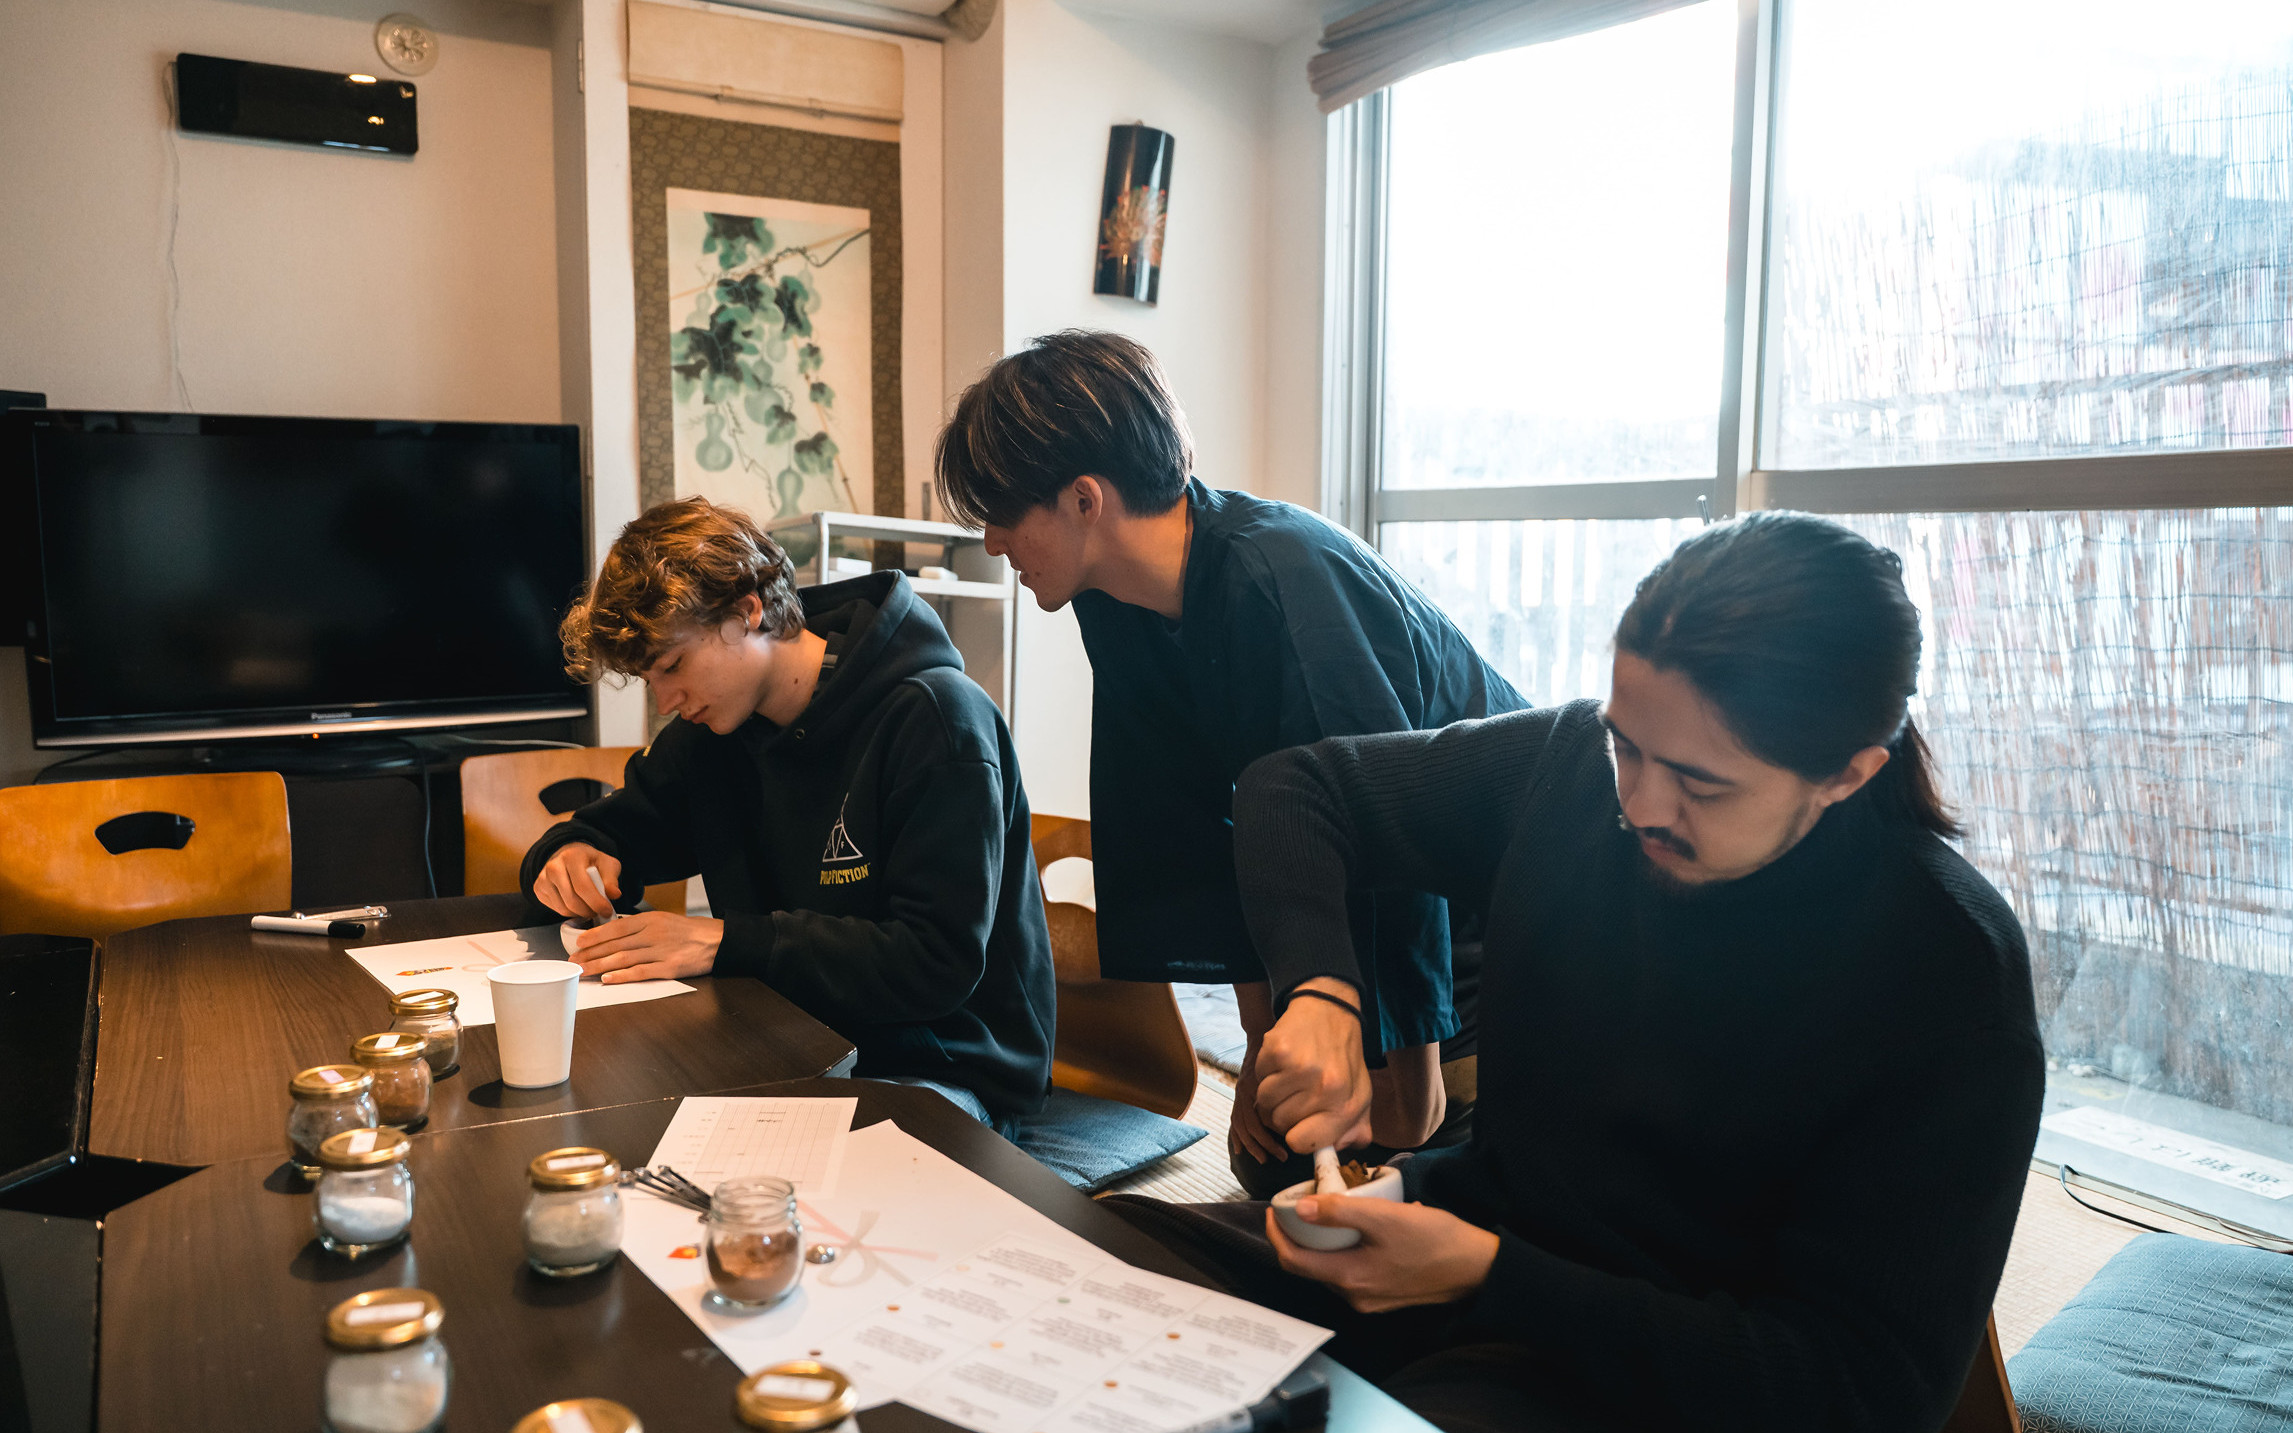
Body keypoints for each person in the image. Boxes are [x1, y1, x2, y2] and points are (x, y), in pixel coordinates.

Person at [1104, 512, 2045, 1432]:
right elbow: (1297, 791)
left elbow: (1854, 1390)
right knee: (1101, 1265)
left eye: (1699, 783)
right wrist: (1322, 989)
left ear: (1848, 773)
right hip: (1468, 1255)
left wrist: (1488, 1273)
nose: (1638, 805)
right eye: (1624, 743)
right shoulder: (1568, 770)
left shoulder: (1946, 971)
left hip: (1653, 1376)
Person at [934, 329, 1527, 1193]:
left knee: (1396, 1211)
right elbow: (1194, 837)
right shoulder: (1117, 603)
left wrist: (1411, 1089)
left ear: (1084, 499)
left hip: (1481, 935)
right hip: (1335, 938)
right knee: (1268, 1171)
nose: (991, 542)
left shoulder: (1284, 578)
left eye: (1003, 512)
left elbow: (1391, 842)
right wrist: (1258, 1044)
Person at [523, 497, 1055, 1133]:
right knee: (607, 1113)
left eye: (672, 665)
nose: (666, 700)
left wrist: (724, 940)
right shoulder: (713, 735)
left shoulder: (935, 719)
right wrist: (568, 854)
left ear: (748, 610)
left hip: (946, 1062)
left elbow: (934, 963)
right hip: (794, 1030)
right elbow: (618, 828)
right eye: (649, 678)